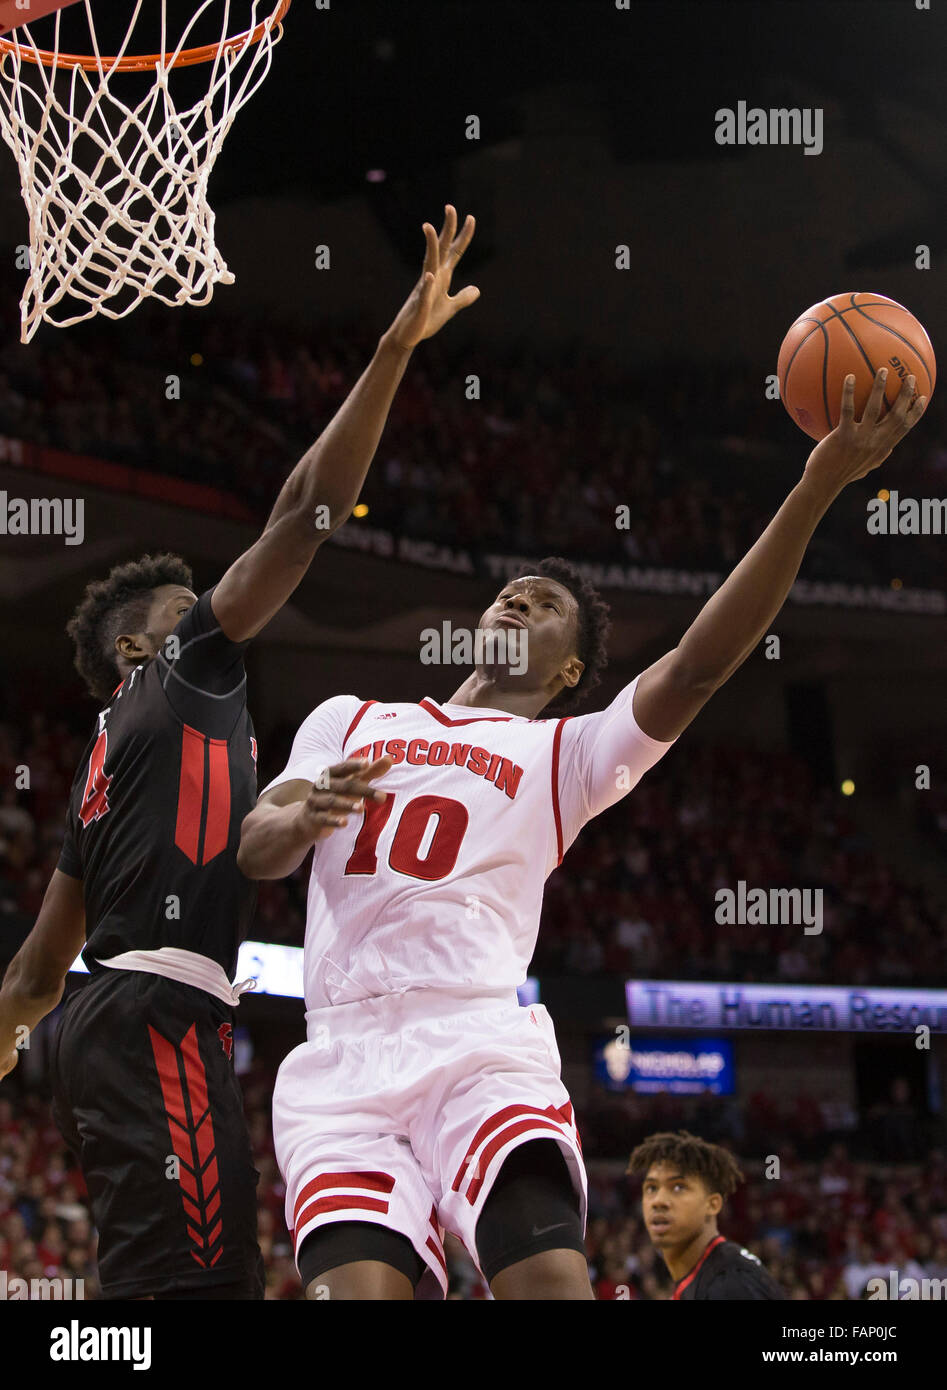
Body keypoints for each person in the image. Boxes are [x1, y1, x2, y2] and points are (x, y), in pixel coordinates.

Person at [238, 367, 927, 1301]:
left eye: (544, 604)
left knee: (551, 1284)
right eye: (510, 593)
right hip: (340, 1058)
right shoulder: (346, 716)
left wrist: (815, 485)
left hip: (475, 1040)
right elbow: (256, 847)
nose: (517, 601)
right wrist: (304, 815)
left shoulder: (563, 753)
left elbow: (697, 667)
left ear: (568, 671)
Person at [0, 206, 480, 1300]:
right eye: (188, 599)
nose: (213, 601)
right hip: (158, 1017)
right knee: (198, 1291)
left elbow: (35, 972)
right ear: (139, 638)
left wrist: (6, 1035)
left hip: (107, 1022)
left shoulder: (108, 764)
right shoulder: (183, 668)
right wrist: (391, 350)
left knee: (161, 1283)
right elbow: (306, 513)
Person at [629, 1129, 784, 1299]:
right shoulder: (703, 1276)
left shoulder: (730, 1282)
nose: (659, 1201)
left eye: (678, 1187)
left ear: (712, 1204)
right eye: (652, 1188)